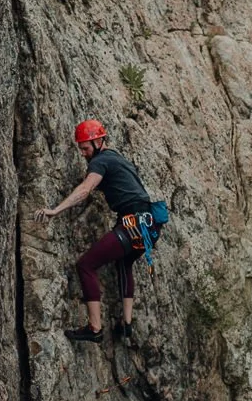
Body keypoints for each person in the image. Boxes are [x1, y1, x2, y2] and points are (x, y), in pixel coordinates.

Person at [34, 118, 159, 345]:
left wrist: (56, 210)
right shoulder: (118, 159)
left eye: (85, 147)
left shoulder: (100, 161)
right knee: (124, 263)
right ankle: (127, 324)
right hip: (149, 225)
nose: (82, 153)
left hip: (133, 223)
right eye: (80, 148)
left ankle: (94, 328)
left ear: (99, 142)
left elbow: (86, 188)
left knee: (86, 265)